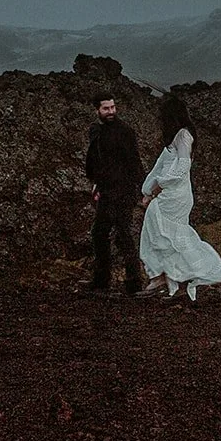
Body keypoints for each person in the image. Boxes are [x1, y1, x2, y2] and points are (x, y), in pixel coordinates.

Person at [139, 95, 221, 302]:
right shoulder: (177, 136)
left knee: (167, 233)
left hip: (175, 194)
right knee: (163, 233)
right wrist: (148, 190)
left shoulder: (183, 136)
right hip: (171, 192)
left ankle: (165, 276)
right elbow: (164, 165)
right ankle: (165, 277)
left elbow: (183, 167)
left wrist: (158, 186)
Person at [84, 91, 144, 294]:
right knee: (99, 233)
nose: (111, 112)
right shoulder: (97, 130)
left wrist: (140, 189)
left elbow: (134, 161)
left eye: (112, 107)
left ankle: (134, 281)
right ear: (97, 110)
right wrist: (97, 184)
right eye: (106, 108)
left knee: (123, 234)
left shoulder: (124, 132)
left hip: (123, 190)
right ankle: (102, 280)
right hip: (107, 190)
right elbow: (96, 160)